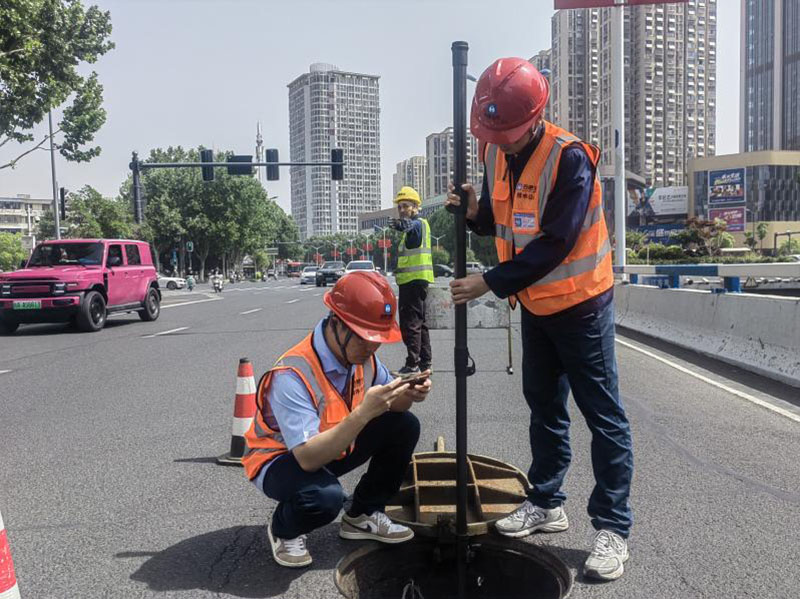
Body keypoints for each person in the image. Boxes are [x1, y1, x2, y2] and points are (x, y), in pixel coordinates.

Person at [446, 57, 634, 581]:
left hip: (581, 305)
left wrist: (490, 281)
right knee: (544, 407)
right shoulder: (494, 149)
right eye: (492, 135)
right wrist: (475, 213)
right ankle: (547, 501)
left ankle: (613, 528)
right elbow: (506, 222)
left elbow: (555, 242)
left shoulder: (570, 159)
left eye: (506, 134)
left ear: (534, 118)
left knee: (603, 416)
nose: (499, 144)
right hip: (535, 305)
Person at [243, 271, 432, 568]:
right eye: (365, 338)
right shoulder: (292, 374)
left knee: (405, 425)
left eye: (377, 339)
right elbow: (308, 459)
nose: (372, 347)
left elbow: (396, 405)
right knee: (324, 499)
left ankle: (363, 513)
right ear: (336, 323)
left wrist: (411, 393)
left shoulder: (362, 357)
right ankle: (284, 528)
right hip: (281, 461)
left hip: (333, 445)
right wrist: (364, 413)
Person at [389, 186, 434, 375]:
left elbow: (408, 226)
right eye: (399, 207)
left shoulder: (417, 224)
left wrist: (399, 225)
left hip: (413, 282)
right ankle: (425, 363)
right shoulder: (420, 225)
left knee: (411, 324)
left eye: (406, 206)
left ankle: (412, 364)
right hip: (417, 281)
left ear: (416, 206)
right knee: (420, 324)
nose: (402, 210)